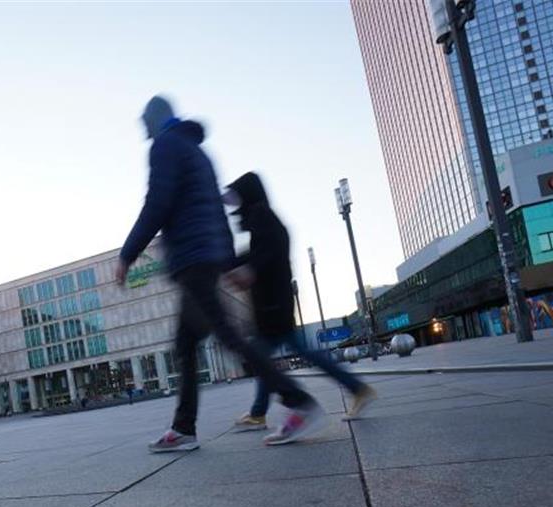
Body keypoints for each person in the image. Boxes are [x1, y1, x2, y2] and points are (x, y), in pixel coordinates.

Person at [116, 96, 327, 450]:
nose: (143, 130)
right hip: (203, 255)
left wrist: (128, 253)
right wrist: (227, 260)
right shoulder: (196, 152)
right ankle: (183, 429)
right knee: (185, 344)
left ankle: (299, 403)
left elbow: (157, 203)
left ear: (156, 120)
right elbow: (215, 211)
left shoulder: (165, 146)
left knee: (229, 336)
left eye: (145, 123)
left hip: (193, 258)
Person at [221, 172, 377, 429]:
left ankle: (357, 389)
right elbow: (254, 254)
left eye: (237, 199)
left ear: (247, 196)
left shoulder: (263, 218)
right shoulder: (261, 220)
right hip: (271, 305)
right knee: (264, 357)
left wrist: (251, 270)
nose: (235, 207)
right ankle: (258, 412)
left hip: (274, 305)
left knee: (275, 356)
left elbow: (269, 253)